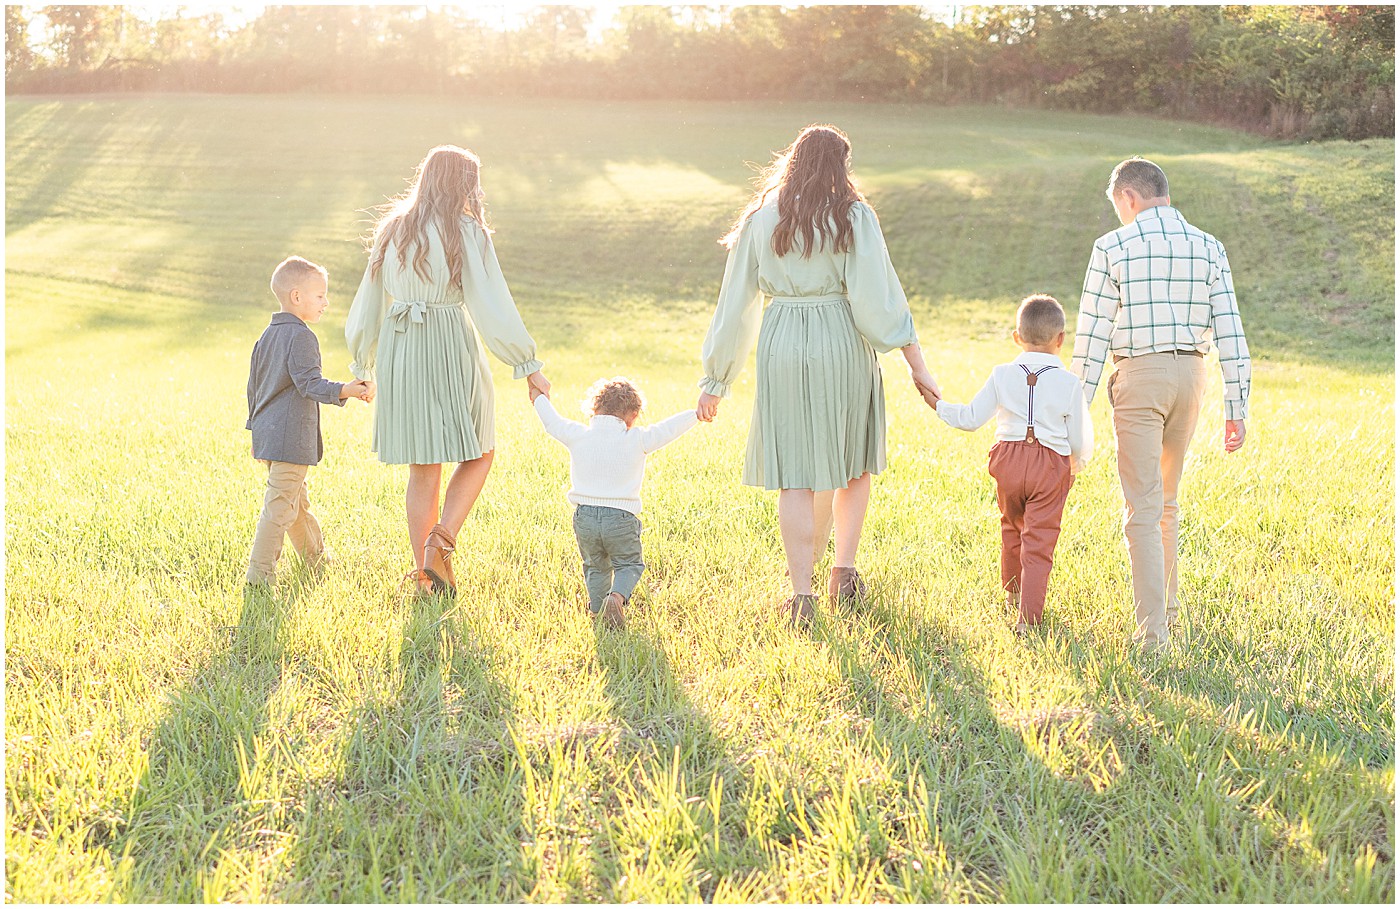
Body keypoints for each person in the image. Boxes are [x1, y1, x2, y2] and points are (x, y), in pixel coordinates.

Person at [696, 124, 941, 625]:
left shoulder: (761, 218)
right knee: (852, 464)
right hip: (841, 337)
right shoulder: (854, 217)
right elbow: (880, 300)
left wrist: (715, 381)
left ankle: (801, 596)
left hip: (781, 337)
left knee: (796, 474)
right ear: (840, 166)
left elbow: (734, 306)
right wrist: (917, 365)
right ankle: (844, 575)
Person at [347, 145, 550, 597]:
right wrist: (527, 363)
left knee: (424, 466)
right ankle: (440, 543)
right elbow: (492, 302)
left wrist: (362, 362)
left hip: (401, 346)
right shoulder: (466, 230)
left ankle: (425, 574)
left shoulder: (393, 229)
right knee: (480, 449)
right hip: (448, 340)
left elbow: (369, 300)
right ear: (463, 184)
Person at [1070, 156, 1252, 650]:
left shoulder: (1112, 246)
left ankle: (1152, 636)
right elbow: (1231, 331)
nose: (1120, 218)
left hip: (1141, 378)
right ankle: (1167, 613)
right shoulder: (1209, 246)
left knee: (1143, 508)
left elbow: (1090, 337)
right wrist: (1237, 406)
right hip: (1192, 378)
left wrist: (1073, 411)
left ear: (1129, 197)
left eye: (1120, 209)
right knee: (1166, 502)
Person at [934, 294, 1093, 636]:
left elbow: (971, 418)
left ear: (1016, 337)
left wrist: (938, 405)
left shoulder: (1002, 374)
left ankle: (1012, 595)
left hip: (1007, 460)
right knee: (1040, 539)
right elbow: (1079, 438)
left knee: (1011, 527)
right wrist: (1074, 466)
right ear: (1061, 340)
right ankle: (1028, 618)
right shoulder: (1069, 383)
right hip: (1049, 465)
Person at [531, 377, 699, 629]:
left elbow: (552, 423)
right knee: (629, 564)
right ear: (632, 416)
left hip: (585, 517)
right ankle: (616, 597)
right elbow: (668, 429)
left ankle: (599, 613)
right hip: (620, 518)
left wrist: (538, 398)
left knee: (595, 566)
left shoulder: (578, 435)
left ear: (594, 409)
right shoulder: (637, 438)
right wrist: (696, 414)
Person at [246, 256, 373, 585]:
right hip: (289, 440)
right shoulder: (301, 337)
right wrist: (347, 390)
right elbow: (309, 384)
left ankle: (316, 561)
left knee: (294, 504)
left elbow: (254, 389)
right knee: (279, 508)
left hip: (270, 436)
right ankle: (259, 578)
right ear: (296, 297)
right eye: (320, 296)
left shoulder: (266, 336)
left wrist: (256, 435)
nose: (326, 302)